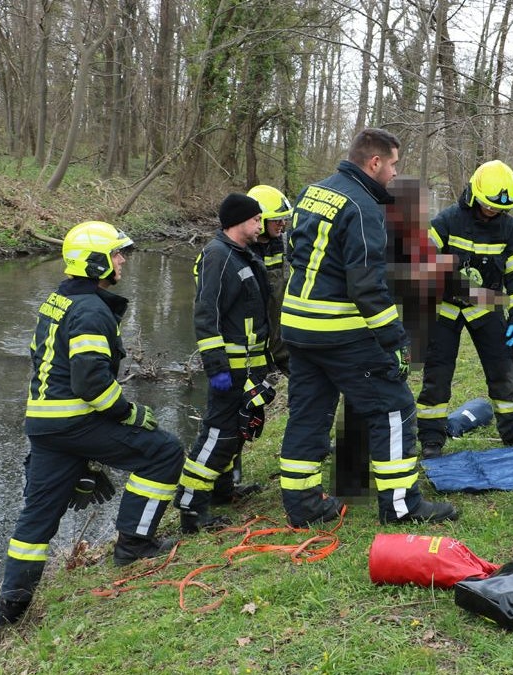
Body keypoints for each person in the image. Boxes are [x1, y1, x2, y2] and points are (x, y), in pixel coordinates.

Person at [0, 221, 184, 626]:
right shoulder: (92, 310)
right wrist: (128, 413)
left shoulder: (59, 299)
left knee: (37, 517)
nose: (122, 261)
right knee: (164, 452)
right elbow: (90, 381)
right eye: (116, 254)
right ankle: (134, 543)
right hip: (75, 422)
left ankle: (10, 610)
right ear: (96, 262)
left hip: (44, 425)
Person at [278, 127, 458, 527]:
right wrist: (395, 340)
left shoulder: (313, 192)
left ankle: (303, 506)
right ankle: (402, 506)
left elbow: (291, 253)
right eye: (393, 164)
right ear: (374, 162)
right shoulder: (361, 208)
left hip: (297, 326)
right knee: (394, 407)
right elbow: (367, 287)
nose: (396, 173)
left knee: (308, 413)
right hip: (340, 330)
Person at [416, 160, 513, 457]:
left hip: (485, 306)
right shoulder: (447, 221)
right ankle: (432, 437)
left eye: (499, 208)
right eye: (488, 206)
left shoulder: (509, 230)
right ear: (473, 196)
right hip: (445, 307)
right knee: (437, 373)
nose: (493, 212)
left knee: (503, 368)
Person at [173, 193, 274, 533]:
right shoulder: (218, 256)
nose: (261, 224)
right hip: (229, 370)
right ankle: (191, 506)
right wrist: (216, 369)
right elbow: (206, 315)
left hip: (248, 366)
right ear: (237, 222)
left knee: (235, 435)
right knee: (218, 435)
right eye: (256, 219)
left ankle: (223, 490)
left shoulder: (242, 254)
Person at [246, 184, 294, 374]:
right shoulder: (241, 250)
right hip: (254, 347)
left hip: (283, 343)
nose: (282, 223)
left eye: (284, 219)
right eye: (277, 219)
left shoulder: (286, 243)